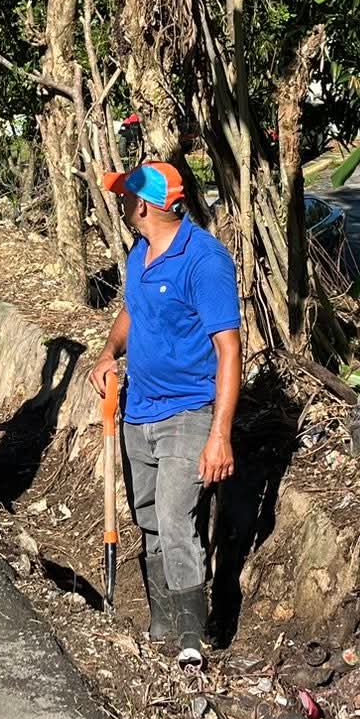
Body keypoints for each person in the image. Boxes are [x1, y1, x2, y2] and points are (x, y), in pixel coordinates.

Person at [85, 161, 242, 668]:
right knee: (149, 517)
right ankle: (163, 622)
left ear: (144, 206)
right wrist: (109, 352)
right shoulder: (141, 253)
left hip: (189, 412)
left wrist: (220, 435)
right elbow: (133, 309)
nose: (121, 204)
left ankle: (192, 637)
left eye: (126, 197)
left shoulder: (204, 261)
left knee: (176, 518)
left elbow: (229, 350)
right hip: (138, 411)